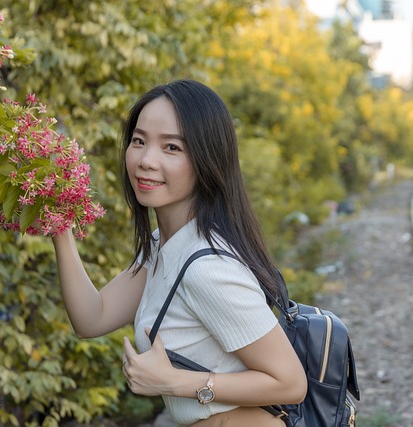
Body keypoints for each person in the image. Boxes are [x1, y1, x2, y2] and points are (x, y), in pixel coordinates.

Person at [51, 80, 307, 426]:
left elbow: (290, 382)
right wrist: (60, 227)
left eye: (171, 147)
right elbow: (92, 318)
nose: (146, 160)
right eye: (139, 142)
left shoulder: (208, 267)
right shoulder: (166, 245)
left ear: (206, 159)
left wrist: (173, 382)